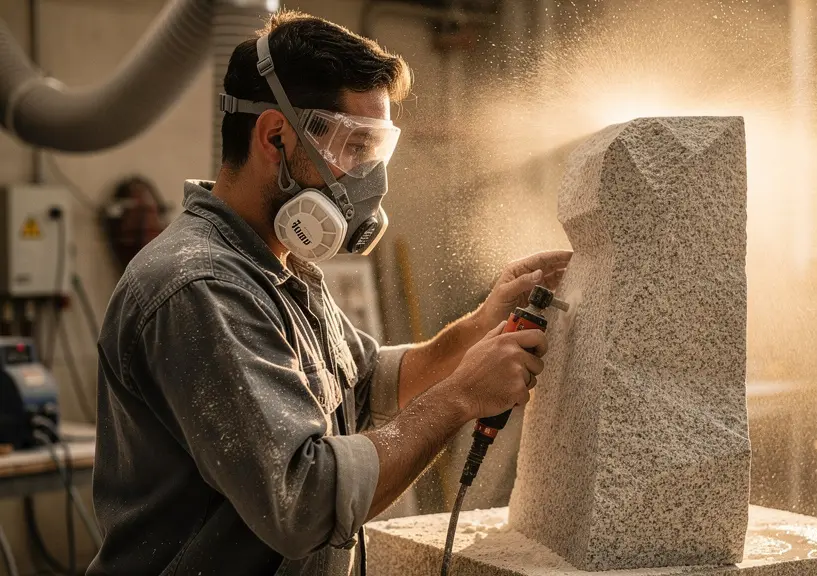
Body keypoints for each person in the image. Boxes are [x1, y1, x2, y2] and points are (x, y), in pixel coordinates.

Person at [88, 11, 570, 576]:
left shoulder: (277, 268)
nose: (370, 177)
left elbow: (365, 387)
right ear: (274, 136)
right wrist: (463, 396)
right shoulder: (201, 288)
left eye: (378, 149)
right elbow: (304, 503)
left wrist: (479, 327)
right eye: (355, 145)